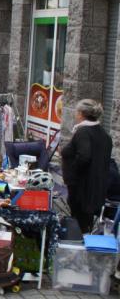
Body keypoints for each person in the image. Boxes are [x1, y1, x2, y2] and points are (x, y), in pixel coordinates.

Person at [61, 99, 112, 233]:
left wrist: (72, 172)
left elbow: (84, 156)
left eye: (77, 112)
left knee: (79, 223)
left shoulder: (83, 132)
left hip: (82, 188)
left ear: (81, 114)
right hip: (96, 187)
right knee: (85, 223)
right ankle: (83, 244)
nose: (75, 115)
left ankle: (77, 249)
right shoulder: (104, 134)